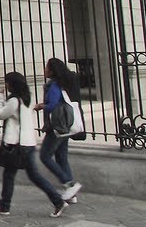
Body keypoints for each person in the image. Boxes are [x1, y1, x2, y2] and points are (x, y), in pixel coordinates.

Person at [0, 71, 67, 218]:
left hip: (17, 145)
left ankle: (5, 206)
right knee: (32, 175)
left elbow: (0, 114)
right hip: (29, 143)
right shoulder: (27, 99)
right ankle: (57, 201)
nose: (6, 85)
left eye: (7, 82)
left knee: (10, 175)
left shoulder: (14, 101)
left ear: (12, 84)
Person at [35, 58, 83, 203]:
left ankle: (70, 185)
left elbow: (53, 105)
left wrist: (41, 106)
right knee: (62, 158)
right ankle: (71, 194)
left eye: (46, 67)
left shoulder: (54, 85)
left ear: (52, 70)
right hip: (65, 126)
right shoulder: (63, 83)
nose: (44, 70)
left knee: (45, 156)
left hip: (57, 127)